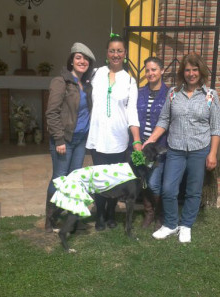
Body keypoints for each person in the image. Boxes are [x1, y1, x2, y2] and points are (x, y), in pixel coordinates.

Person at [143, 52, 220, 243]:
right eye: (187, 70)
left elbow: (216, 127)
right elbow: (164, 120)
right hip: (176, 149)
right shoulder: (173, 94)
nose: (191, 73)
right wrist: (151, 140)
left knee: (193, 191)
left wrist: (212, 153)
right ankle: (170, 224)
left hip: (199, 150)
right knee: (169, 189)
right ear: (182, 72)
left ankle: (185, 225)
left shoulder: (211, 96)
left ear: (200, 72)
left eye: (195, 69)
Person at [86, 34, 141, 231]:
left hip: (118, 139)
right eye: (112, 51)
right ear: (107, 53)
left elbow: (132, 111)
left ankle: (111, 214)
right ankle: (100, 214)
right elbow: (76, 78)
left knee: (114, 180)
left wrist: (136, 140)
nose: (115, 54)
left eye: (119, 51)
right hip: (98, 138)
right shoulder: (95, 73)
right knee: (100, 180)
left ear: (125, 54)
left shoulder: (129, 81)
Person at [44, 42, 95, 232]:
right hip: (64, 140)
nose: (82, 61)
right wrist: (58, 139)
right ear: (71, 60)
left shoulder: (86, 84)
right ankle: (50, 219)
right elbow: (51, 112)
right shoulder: (61, 81)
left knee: (74, 181)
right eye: (78, 57)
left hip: (81, 139)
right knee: (59, 178)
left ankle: (71, 220)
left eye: (86, 59)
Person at [137, 57, 168, 230]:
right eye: (147, 70)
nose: (150, 73)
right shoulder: (140, 92)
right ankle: (148, 212)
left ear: (162, 71)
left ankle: (159, 213)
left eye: (154, 69)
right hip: (141, 146)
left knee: (155, 182)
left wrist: (152, 140)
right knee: (144, 180)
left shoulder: (169, 93)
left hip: (158, 147)